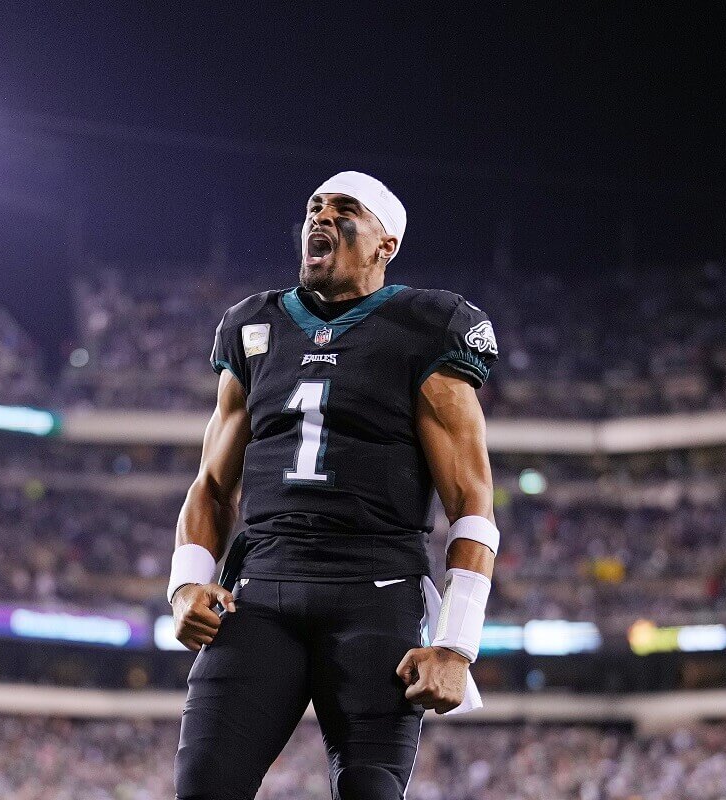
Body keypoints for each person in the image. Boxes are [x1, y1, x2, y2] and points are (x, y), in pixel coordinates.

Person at [168, 171, 500, 800]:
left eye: (345, 210)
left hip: (374, 595)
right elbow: (211, 484)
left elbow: (472, 503)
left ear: (386, 244)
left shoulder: (429, 325)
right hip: (261, 593)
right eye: (315, 207)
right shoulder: (253, 326)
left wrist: (457, 643)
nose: (321, 217)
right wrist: (185, 582)